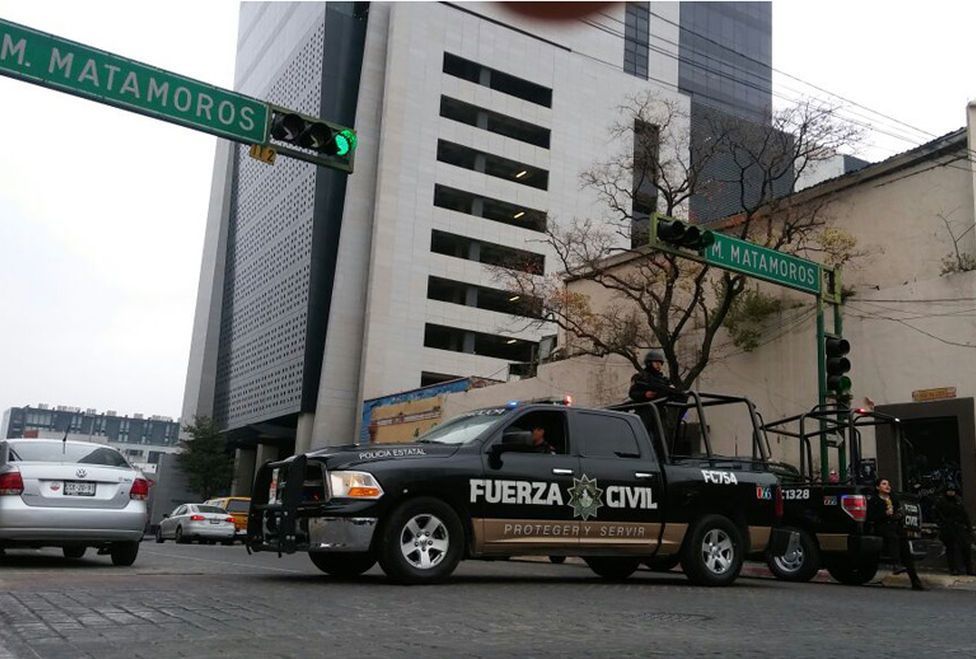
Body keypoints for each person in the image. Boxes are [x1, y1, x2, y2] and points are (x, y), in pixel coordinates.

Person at [867, 477, 925, 590]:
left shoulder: (893, 498)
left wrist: (898, 515)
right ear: (878, 487)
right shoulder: (874, 500)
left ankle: (915, 581)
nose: (887, 486)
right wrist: (885, 514)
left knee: (905, 549)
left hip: (895, 525)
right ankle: (896, 564)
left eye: (888, 484)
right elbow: (871, 517)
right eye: (884, 484)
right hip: (883, 526)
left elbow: (899, 511)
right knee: (893, 538)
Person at [934, 484, 975, 576]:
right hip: (948, 527)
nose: (951, 492)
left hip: (959, 527)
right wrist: (942, 525)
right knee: (951, 549)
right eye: (949, 490)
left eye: (953, 490)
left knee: (966, 547)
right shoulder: (941, 501)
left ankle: (969, 569)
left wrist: (969, 528)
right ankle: (953, 569)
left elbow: (965, 515)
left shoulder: (958, 501)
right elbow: (936, 515)